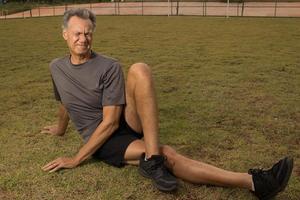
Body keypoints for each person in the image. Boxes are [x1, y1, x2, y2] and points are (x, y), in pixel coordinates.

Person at [41, 8, 293, 199]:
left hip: (117, 121)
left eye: (88, 33)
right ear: (65, 35)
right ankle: (255, 182)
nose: (83, 38)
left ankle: (152, 159)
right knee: (168, 153)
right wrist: (61, 129)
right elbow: (65, 101)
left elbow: (112, 121)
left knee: (140, 69)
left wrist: (75, 158)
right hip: (103, 139)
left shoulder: (108, 65)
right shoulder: (56, 67)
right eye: (77, 33)